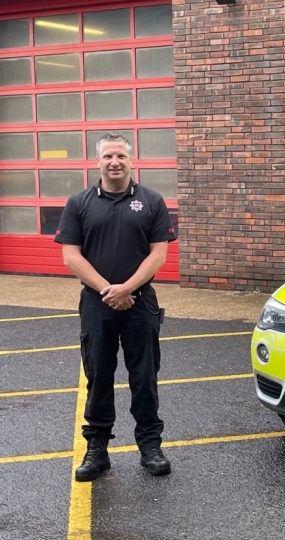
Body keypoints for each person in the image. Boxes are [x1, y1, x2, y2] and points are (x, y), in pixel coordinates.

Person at [55, 133, 177, 481]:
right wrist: (109, 290)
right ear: (97, 162)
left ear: (131, 160)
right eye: (108, 156)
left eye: (121, 155)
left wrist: (127, 288)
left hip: (141, 302)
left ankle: (150, 446)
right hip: (97, 303)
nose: (115, 162)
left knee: (144, 376)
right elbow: (70, 256)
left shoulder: (152, 202)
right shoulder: (78, 203)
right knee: (98, 375)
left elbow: (158, 253)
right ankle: (97, 450)